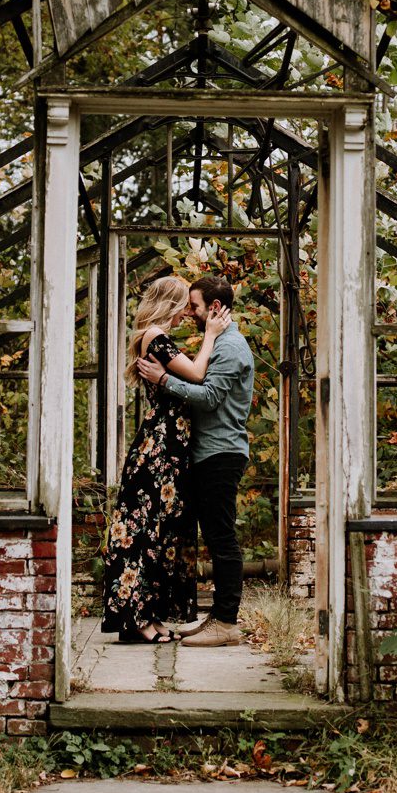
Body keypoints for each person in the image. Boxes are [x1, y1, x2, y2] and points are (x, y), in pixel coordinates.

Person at [98, 275, 226, 644]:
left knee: (160, 531)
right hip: (159, 448)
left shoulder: (157, 337)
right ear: (169, 303)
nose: (188, 312)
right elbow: (198, 374)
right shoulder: (155, 336)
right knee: (145, 531)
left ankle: (149, 616)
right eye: (184, 305)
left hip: (169, 447)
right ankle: (138, 619)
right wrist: (211, 335)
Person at [135, 273, 254, 648]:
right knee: (215, 537)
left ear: (214, 307)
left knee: (222, 537)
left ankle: (227, 622)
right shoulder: (219, 343)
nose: (189, 313)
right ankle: (217, 617)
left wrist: (164, 380)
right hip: (209, 452)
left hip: (221, 452)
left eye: (195, 306)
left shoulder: (230, 347)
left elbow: (209, 397)